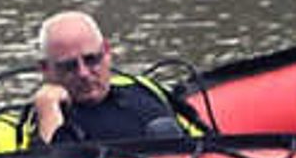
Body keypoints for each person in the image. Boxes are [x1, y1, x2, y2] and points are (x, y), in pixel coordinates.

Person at [17, 9, 195, 149]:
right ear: (45, 69)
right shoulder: (45, 117)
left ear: (107, 51)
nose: (84, 73)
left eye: (91, 60)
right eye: (69, 66)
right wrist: (49, 113)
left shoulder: (144, 91)